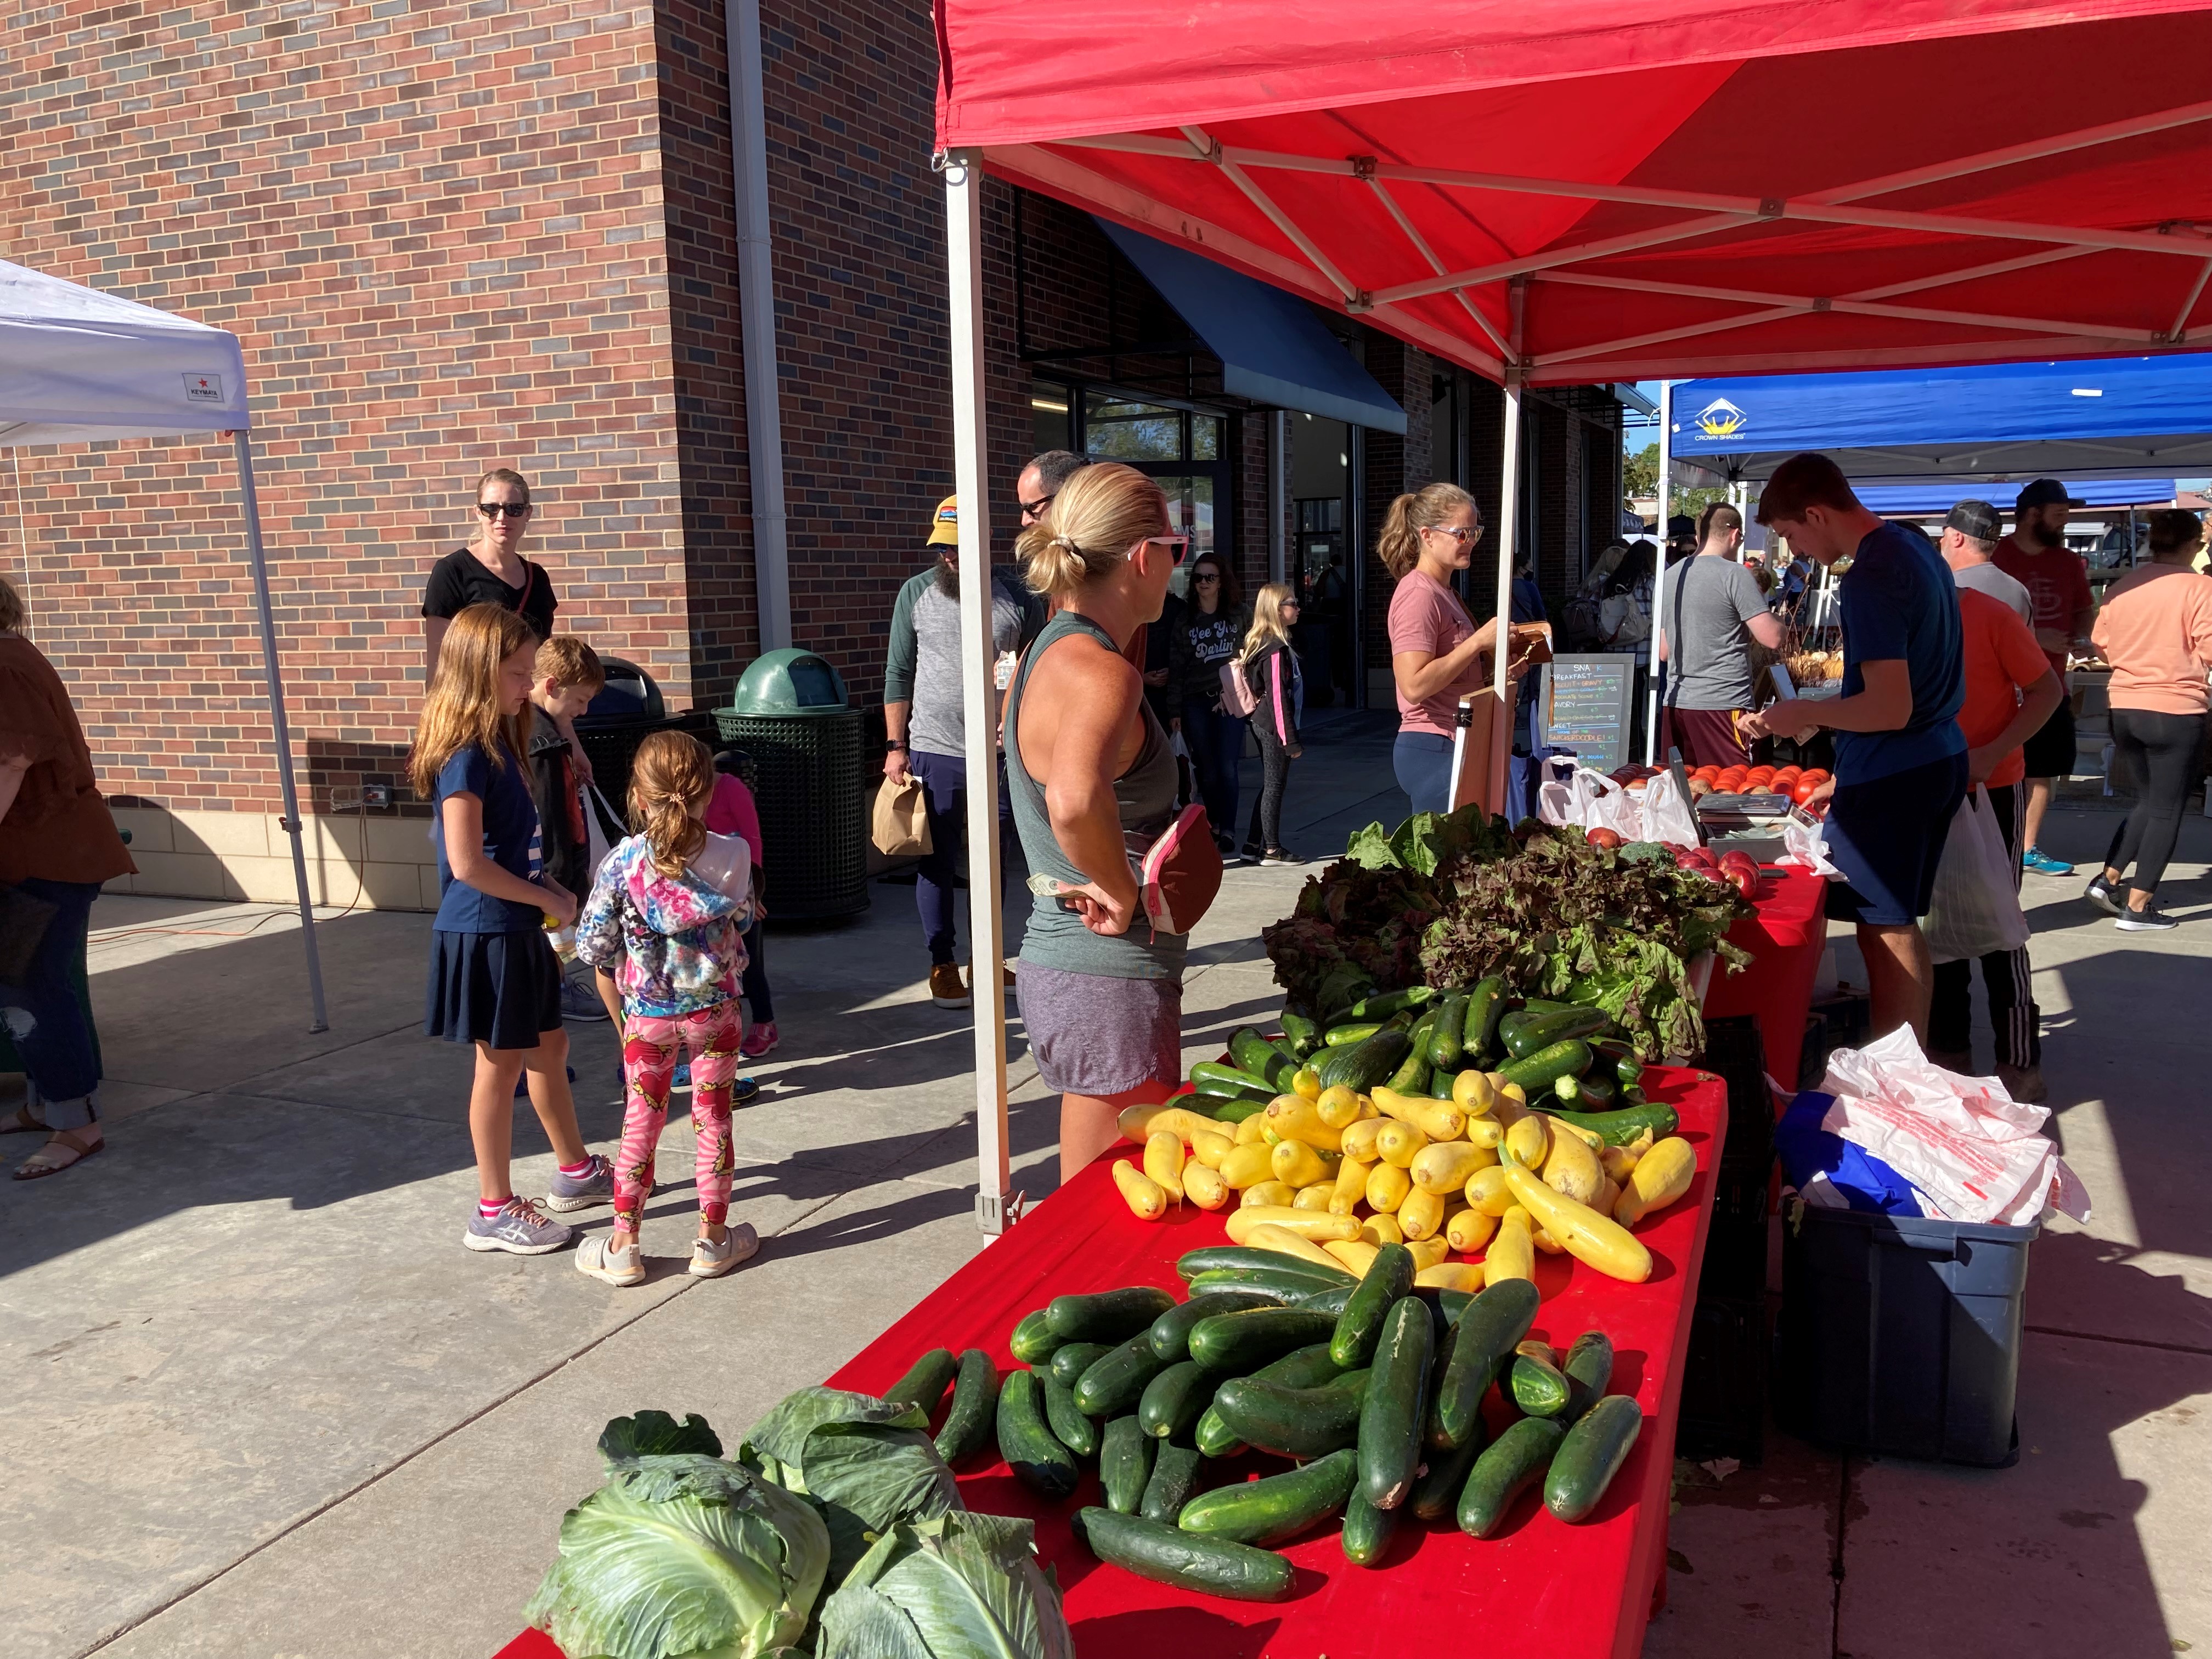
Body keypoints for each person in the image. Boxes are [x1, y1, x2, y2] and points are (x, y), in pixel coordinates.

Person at [1003, 463, 1189, 1182]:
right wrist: (1118, 888)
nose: (1179, 564)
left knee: (1100, 1196)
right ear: (1143, 557)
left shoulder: (1045, 653)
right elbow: (1074, 801)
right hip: (1107, 976)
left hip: (1077, 971)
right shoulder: (1102, 672)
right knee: (1110, 1205)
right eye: (1175, 546)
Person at [1745, 454, 1966, 1045]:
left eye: (1791, 534)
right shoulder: (1916, 549)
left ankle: (1896, 1067)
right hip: (1931, 757)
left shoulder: (1870, 575)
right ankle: (1906, 1056)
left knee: (1885, 926)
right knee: (1895, 922)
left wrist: (1804, 712)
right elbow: (1908, 688)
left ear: (1816, 514)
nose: (1795, 550)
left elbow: (1890, 708)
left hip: (1899, 769)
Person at [411, 603, 611, 1255]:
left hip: (517, 926)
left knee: (550, 1048)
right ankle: (493, 1210)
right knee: (497, 1070)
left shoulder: (502, 740)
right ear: (479, 671)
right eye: (519, 672)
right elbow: (468, 864)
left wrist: (548, 890)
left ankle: (575, 1169)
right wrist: (546, 896)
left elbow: (510, 851)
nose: (529, 685)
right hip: (487, 934)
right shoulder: (464, 756)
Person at [572, 731, 760, 1286]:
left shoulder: (621, 863)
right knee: (714, 1120)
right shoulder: (734, 855)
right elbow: (745, 917)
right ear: (708, 793)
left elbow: (593, 947)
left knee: (641, 1122)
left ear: (639, 796)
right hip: (716, 1011)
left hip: (648, 1016)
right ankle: (713, 1241)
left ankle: (624, 1248)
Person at [882, 494, 1046, 1009]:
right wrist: (895, 746)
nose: (949, 556)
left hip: (999, 754)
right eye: (943, 547)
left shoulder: (1019, 596)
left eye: (958, 546)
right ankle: (942, 963)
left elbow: (1038, 669)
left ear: (985, 540)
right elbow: (898, 673)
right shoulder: (916, 593)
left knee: (992, 861)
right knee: (937, 859)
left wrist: (1020, 727)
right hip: (936, 750)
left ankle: (987, 959)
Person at [0, 575, 138, 1179]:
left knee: (33, 989)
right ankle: (44, 1106)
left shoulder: (5, 666)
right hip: (41, 854)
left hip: (47, 858)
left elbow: (11, 763)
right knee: (22, 986)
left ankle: (78, 1125)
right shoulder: (12, 654)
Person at [1927, 524, 2067, 1101]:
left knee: (1998, 926)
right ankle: (1950, 1054)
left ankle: (2019, 1061)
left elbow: (2047, 691)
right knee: (1939, 927)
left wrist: (1992, 751)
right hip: (1925, 790)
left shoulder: (1990, 614)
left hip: (1992, 791)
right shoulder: (1901, 622)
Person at [420, 468, 594, 779]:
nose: (502, 517)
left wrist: (571, 743)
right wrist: (439, 733)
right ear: (478, 512)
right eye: (491, 508)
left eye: (514, 508)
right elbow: (438, 666)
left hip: (527, 724)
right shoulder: (453, 572)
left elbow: (546, 672)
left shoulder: (537, 578)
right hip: (475, 718)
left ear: (528, 514)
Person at [2086, 508, 2212, 931]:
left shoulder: (2125, 585)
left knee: (2149, 800)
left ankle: (2109, 879)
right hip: (2176, 707)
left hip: (2124, 705)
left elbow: (2102, 645)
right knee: (2167, 809)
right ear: (2193, 545)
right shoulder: (2200, 588)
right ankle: (2138, 908)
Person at [1381, 482, 1515, 814]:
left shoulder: (1444, 593)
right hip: (1434, 744)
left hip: (1453, 740)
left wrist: (1499, 668)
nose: (1470, 542)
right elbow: (1414, 685)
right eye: (1461, 533)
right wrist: (1477, 642)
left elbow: (1454, 674)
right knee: (1447, 846)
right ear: (1427, 536)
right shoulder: (1419, 595)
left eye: (1475, 532)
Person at [1991, 479, 2095, 875]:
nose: (2065, 523)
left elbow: (2083, 609)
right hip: (1999, 686)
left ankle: (2027, 848)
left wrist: (2082, 636)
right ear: (2033, 514)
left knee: (2043, 769)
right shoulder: (1997, 557)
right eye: (2059, 515)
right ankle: (1992, 842)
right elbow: (1978, 620)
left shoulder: (2067, 562)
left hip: (2049, 685)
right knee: (1997, 764)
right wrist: (2037, 637)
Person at [1656, 502, 1784, 769]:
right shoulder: (1735, 574)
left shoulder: (1671, 576)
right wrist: (1780, 622)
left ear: (1698, 536)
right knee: (1731, 787)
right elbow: (1772, 638)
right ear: (1735, 535)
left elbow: (1664, 652)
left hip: (1677, 703)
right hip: (1723, 703)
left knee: (1684, 789)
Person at [525, 635, 611, 1024]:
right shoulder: (541, 745)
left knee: (554, 941)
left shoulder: (543, 729)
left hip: (553, 863)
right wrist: (560, 876)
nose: (584, 710)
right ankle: (553, 996)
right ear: (551, 686)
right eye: (580, 700)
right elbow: (549, 816)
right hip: (553, 864)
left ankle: (553, 992)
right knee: (552, 941)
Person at [1166, 552, 1249, 860]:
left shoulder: (1239, 614)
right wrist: (1175, 710)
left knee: (1228, 767)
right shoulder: (1185, 619)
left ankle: (1228, 830)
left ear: (1221, 582)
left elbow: (1254, 650)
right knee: (1207, 769)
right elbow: (1177, 668)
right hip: (1195, 702)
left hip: (1229, 700)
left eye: (1210, 577)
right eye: (1198, 577)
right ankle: (1213, 824)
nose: (1203, 583)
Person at [707, 751, 778, 1056]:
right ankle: (712, 1027)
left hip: (741, 887)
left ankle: (765, 1023)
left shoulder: (731, 788)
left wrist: (754, 893)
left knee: (750, 960)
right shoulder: (681, 797)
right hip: (706, 895)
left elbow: (752, 839)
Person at [1237, 583, 1305, 865]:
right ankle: (1272, 849)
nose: (1298, 608)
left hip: (1265, 722)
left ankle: (1253, 844)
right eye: (1292, 603)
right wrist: (1290, 740)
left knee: (1270, 785)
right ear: (1277, 610)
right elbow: (1278, 697)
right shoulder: (1274, 648)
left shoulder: (1267, 643)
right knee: (1275, 786)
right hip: (1272, 725)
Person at [1941, 500, 2032, 622]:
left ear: (1957, 538)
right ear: (1995, 545)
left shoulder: (1945, 588)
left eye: (1944, 535)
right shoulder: (2019, 591)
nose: (1941, 541)